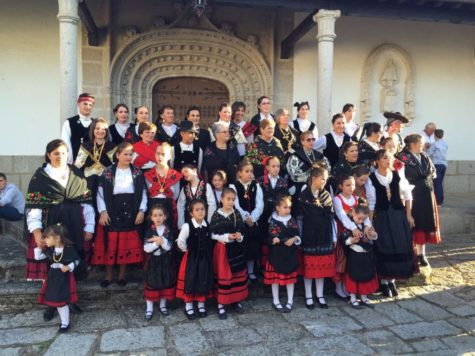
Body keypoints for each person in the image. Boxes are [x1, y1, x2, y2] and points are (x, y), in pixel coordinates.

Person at [26, 139, 94, 320]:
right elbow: (34, 208)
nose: (60, 156)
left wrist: (90, 226)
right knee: (51, 267)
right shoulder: (40, 177)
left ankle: (70, 300)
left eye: (63, 153)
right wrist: (38, 233)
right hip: (51, 225)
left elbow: (86, 204)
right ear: (48, 155)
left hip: (73, 225)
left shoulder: (76, 174)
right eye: (56, 153)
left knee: (69, 262)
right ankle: (51, 304)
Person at [92, 142, 146, 287]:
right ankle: (109, 275)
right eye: (125, 154)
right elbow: (100, 194)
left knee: (125, 243)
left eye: (131, 154)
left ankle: (122, 275)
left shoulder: (137, 172)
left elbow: (143, 193)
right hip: (112, 209)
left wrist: (141, 210)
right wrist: (103, 212)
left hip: (131, 209)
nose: (128, 157)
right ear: (117, 155)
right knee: (110, 243)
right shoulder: (108, 172)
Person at [366, 149, 415, 298]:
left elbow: (407, 195)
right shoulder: (371, 178)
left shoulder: (396, 175)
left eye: (390, 157)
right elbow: (372, 203)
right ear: (378, 161)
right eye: (385, 158)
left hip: (397, 216)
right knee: (384, 245)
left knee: (398, 245)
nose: (388, 160)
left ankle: (392, 280)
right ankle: (383, 282)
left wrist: (409, 215)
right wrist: (370, 223)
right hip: (382, 217)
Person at [398, 134, 441, 267]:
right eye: (421, 143)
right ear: (413, 144)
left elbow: (433, 172)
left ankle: (422, 254)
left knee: (425, 223)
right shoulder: (402, 157)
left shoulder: (424, 156)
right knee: (415, 224)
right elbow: (402, 176)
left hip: (427, 194)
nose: (423, 145)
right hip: (413, 195)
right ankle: (412, 253)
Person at [298, 166, 336, 309]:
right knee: (309, 267)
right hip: (309, 233)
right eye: (323, 179)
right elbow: (300, 217)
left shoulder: (326, 195)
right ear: (314, 178)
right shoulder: (304, 195)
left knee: (320, 266)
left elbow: (331, 215)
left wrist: (333, 236)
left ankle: (320, 295)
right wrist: (300, 235)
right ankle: (308, 295)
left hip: (323, 233)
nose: (325, 182)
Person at [34, 224, 80, 333]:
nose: (45, 239)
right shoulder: (51, 250)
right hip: (53, 279)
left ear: (57, 238)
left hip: (64, 279)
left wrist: (69, 266)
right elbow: (39, 258)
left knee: (62, 301)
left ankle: (65, 323)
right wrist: (39, 249)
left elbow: (77, 260)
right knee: (57, 300)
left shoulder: (68, 250)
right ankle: (64, 322)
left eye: (47, 237)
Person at [210, 188, 248, 319]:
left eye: (233, 199)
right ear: (222, 199)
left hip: (236, 249)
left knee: (236, 274)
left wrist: (239, 235)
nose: (230, 202)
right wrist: (226, 237)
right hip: (222, 249)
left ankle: (235, 300)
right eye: (228, 199)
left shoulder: (236, 213)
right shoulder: (216, 214)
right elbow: (213, 234)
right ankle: (221, 304)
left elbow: (241, 230)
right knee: (224, 275)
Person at [333, 175, 372, 299]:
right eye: (348, 185)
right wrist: (353, 228)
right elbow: (342, 215)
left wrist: (366, 225)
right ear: (341, 186)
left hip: (357, 233)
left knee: (352, 259)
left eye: (353, 185)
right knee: (341, 258)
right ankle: (338, 286)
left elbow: (364, 214)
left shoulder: (357, 199)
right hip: (343, 231)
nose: (351, 187)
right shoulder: (337, 199)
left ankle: (347, 285)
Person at [176, 199, 214, 320]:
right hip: (192, 259)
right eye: (197, 210)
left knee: (202, 279)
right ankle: (189, 305)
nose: (200, 212)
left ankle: (201, 304)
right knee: (191, 279)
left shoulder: (207, 225)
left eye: (202, 209)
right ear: (191, 213)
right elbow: (181, 241)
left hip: (204, 259)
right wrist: (186, 250)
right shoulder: (187, 226)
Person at [264, 195, 300, 313]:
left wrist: (294, 239)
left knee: (290, 279)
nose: (288, 210)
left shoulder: (292, 220)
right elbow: (270, 237)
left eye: (289, 207)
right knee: (275, 280)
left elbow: (297, 234)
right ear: (278, 208)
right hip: (277, 254)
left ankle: (290, 301)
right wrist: (275, 240)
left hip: (290, 254)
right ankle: (276, 300)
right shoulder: (273, 221)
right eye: (285, 207)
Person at [230, 160, 264, 282]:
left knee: (253, 247)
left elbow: (260, 204)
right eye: (246, 171)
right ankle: (242, 272)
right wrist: (245, 217)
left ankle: (250, 272)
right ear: (239, 173)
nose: (250, 174)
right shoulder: (233, 186)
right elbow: (236, 205)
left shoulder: (256, 186)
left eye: (251, 171)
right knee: (242, 247)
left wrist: (253, 218)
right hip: (240, 223)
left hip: (253, 222)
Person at [340, 204, 379, 309]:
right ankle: (353, 298)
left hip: (366, 256)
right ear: (353, 213)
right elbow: (343, 240)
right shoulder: (349, 227)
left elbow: (374, 237)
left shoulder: (366, 226)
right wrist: (351, 240)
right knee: (354, 276)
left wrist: (373, 235)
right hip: (355, 256)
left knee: (365, 276)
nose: (361, 221)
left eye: (364, 219)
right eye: (359, 218)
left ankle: (364, 297)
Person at [143, 204, 176, 319]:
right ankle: (149, 307)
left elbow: (169, 247)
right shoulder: (149, 231)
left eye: (160, 215)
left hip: (165, 261)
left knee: (165, 281)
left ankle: (163, 305)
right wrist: (156, 243)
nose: (158, 218)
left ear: (165, 217)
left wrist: (162, 241)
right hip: (154, 261)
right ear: (151, 217)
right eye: (155, 215)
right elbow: (146, 248)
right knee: (152, 282)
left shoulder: (168, 231)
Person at [257, 156, 289, 268]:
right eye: (273, 166)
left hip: (277, 216)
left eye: (278, 166)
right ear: (267, 167)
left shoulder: (283, 182)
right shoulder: (261, 180)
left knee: (275, 239)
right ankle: (262, 266)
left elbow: (285, 199)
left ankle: (275, 266)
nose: (276, 169)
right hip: (263, 215)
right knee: (263, 239)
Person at [75, 118, 117, 201]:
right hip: (88, 182)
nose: (100, 131)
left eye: (103, 129)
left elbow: (116, 166)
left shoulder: (112, 146)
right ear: (93, 130)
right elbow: (78, 165)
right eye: (97, 128)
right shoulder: (85, 146)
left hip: (106, 182)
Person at [144, 143, 182, 231]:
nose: (160, 157)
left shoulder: (175, 175)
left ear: (170, 156)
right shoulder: (148, 174)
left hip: (168, 208)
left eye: (163, 154)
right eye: (158, 153)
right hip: (151, 208)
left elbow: (175, 195)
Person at [287, 131, 329, 198]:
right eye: (308, 140)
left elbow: (328, 169)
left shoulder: (320, 156)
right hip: (300, 186)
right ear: (302, 142)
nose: (311, 142)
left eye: (313, 139)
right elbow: (295, 176)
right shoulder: (295, 156)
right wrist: (312, 176)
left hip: (319, 184)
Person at [61, 93, 95, 164]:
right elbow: (66, 144)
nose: (88, 107)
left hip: (93, 164)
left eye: (90, 105)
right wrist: (69, 163)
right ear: (79, 104)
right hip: (75, 164)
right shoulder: (69, 122)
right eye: (85, 104)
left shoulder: (96, 123)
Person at [428, 129, 448, 206]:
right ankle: (441, 200)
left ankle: (438, 201)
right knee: (440, 183)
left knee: (437, 183)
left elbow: (429, 153)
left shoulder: (435, 144)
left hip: (436, 165)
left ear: (434, 135)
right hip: (444, 165)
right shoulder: (445, 144)